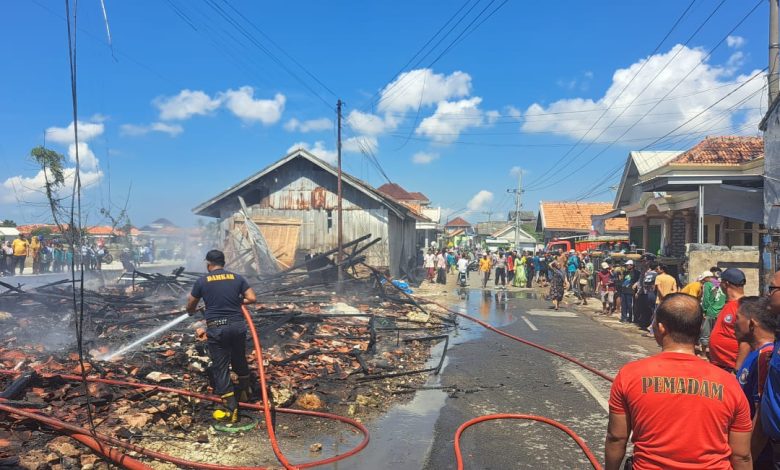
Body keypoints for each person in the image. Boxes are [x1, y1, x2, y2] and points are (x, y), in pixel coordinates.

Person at [605, 294, 752, 470]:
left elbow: (617, 437)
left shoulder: (630, 375)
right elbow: (741, 455)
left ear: (661, 328)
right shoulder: (729, 383)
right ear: (698, 329)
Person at [187, 250, 257, 423]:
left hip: (218, 328)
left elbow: (191, 304)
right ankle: (245, 393)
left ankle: (230, 408)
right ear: (223, 263)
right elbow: (252, 298)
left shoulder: (202, 281)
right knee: (239, 358)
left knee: (221, 366)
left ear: (208, 264)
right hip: (238, 326)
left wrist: (190, 311)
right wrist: (234, 301)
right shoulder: (237, 278)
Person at [733, 296, 775, 468]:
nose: (733, 324)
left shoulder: (765, 356)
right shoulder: (754, 353)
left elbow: (761, 417)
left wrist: (747, 459)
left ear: (751, 324)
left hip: (759, 455)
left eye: (737, 319)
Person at [709, 268, 751, 373]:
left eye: (720, 281)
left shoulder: (742, 307)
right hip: (720, 365)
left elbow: (746, 341)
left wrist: (737, 370)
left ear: (726, 283)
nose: (719, 284)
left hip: (731, 368)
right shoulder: (729, 304)